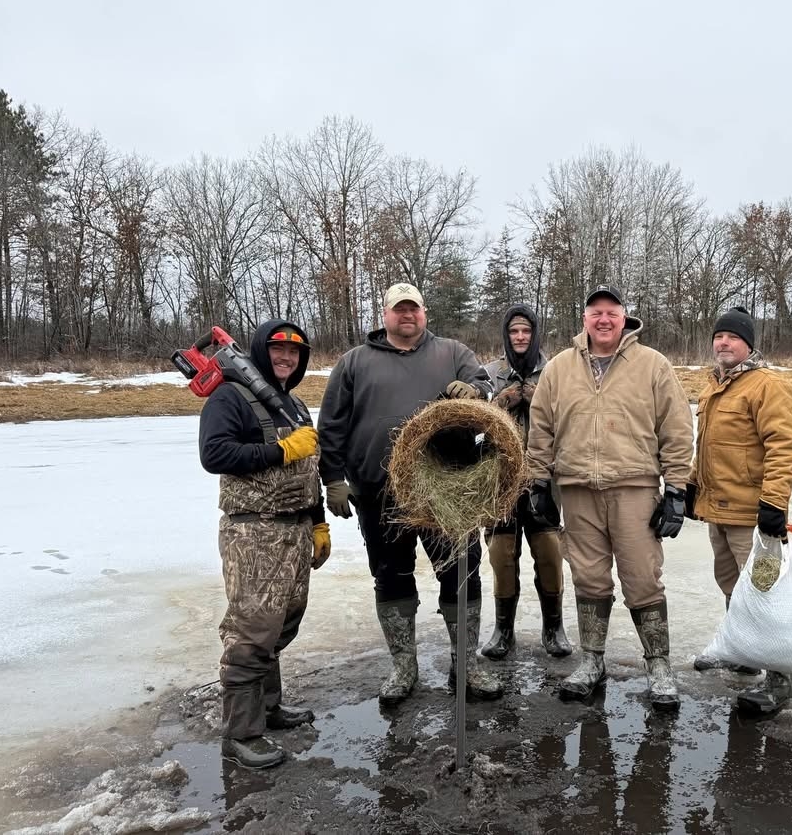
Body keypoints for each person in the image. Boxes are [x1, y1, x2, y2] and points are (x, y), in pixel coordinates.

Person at [317, 282, 501, 705]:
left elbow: (484, 387)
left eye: (413, 308)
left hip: (448, 491)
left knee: (461, 573)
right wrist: (333, 478)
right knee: (390, 576)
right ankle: (404, 666)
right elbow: (331, 425)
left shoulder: (452, 353)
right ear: (384, 314)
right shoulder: (354, 362)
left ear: (424, 312)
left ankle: (465, 664)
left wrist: (475, 392)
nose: (407, 315)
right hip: (380, 493)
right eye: (399, 309)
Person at [525, 285, 694, 711]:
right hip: (577, 488)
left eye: (611, 312)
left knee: (642, 577)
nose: (603, 320)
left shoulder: (652, 364)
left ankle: (658, 664)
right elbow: (541, 429)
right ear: (584, 319)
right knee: (588, 578)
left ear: (624, 318)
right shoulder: (560, 368)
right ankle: (592, 660)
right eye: (595, 312)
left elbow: (676, 430)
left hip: (633, 487)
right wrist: (538, 483)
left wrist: (676, 489)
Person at [198, 319, 330, 770]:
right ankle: (240, 735)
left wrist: (319, 523)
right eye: (277, 349)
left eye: (295, 352)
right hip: (254, 533)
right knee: (252, 632)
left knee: (281, 624)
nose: (286, 358)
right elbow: (215, 454)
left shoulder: (295, 405)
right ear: (259, 351)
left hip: (295, 531)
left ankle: (269, 708)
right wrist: (281, 450)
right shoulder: (230, 397)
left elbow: (309, 470)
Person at [687, 307, 792, 717]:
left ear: (749, 345)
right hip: (719, 509)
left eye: (733, 337)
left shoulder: (767, 385)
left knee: (764, 592)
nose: (724, 343)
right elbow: (708, 447)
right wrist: (692, 485)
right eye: (719, 336)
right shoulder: (714, 386)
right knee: (731, 586)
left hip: (753, 515)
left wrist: (773, 503)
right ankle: (743, 654)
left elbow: (784, 448)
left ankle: (779, 682)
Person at [479, 303, 573, 660]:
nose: (520, 337)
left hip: (544, 479)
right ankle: (503, 630)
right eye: (514, 331)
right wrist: (501, 403)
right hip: (499, 481)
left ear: (535, 334)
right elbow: (474, 423)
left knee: (549, 553)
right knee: (501, 555)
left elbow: (573, 421)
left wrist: (539, 401)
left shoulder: (555, 372)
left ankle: (554, 627)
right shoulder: (489, 373)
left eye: (526, 331)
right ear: (506, 335)